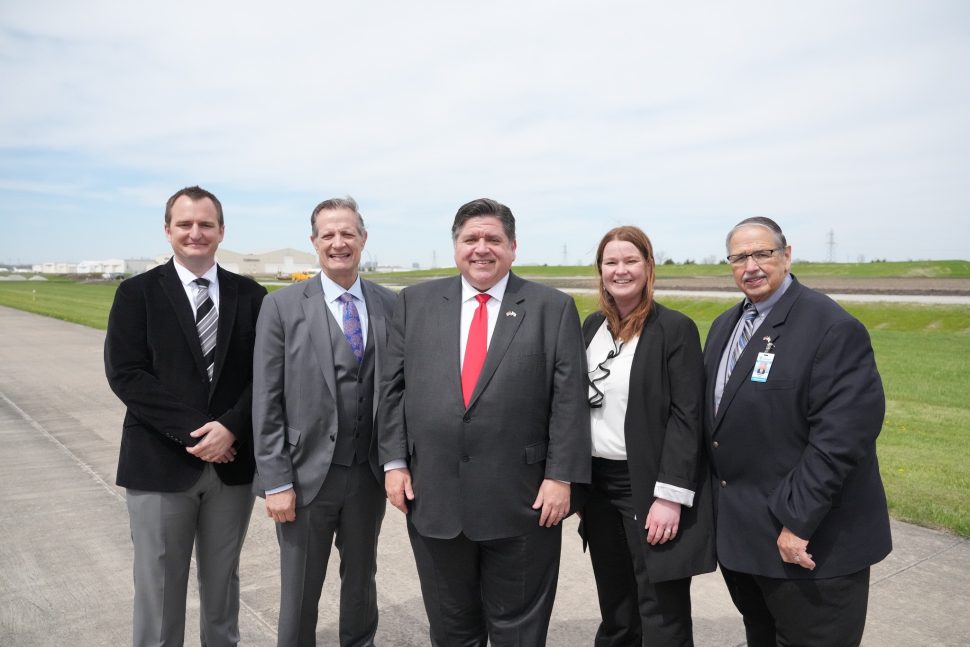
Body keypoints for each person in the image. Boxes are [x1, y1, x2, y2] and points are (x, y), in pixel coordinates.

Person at [378, 198, 591, 646]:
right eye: (470, 239)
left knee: (518, 630)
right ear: (455, 246)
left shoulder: (551, 307)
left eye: (493, 239)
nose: (481, 248)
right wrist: (394, 462)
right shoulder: (414, 303)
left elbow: (569, 400)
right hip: (434, 499)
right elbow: (392, 389)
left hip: (524, 501)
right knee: (452, 628)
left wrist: (560, 476)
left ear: (513, 247)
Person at [703, 216, 892, 646]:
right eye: (738, 257)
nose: (750, 266)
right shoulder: (724, 328)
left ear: (787, 256)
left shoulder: (830, 328)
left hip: (810, 550)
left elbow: (840, 440)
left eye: (762, 253)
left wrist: (797, 525)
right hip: (748, 548)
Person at [104, 186, 267, 647]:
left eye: (205, 225)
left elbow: (267, 374)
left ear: (221, 231)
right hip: (159, 463)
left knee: (223, 588)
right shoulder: (136, 293)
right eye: (185, 224)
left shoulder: (252, 295)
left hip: (232, 467)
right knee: (158, 591)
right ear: (168, 230)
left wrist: (231, 427)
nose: (195, 233)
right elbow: (127, 375)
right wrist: (200, 433)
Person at [252, 197, 396, 647]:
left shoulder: (391, 304)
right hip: (304, 474)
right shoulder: (282, 306)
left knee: (361, 583)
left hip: (367, 474)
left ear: (363, 240)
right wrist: (276, 482)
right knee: (299, 591)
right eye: (328, 235)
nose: (339, 243)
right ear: (314, 242)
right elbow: (266, 400)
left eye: (348, 233)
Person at [579, 226, 715, 647]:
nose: (621, 270)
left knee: (661, 607)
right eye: (611, 262)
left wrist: (670, 497)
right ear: (600, 270)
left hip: (648, 485)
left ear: (649, 267)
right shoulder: (591, 327)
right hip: (599, 487)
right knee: (616, 605)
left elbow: (687, 417)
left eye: (630, 261)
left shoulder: (674, 329)